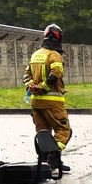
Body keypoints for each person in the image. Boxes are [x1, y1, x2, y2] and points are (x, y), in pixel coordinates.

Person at [23, 23, 70, 169]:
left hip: (35, 102)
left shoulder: (35, 54)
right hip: (52, 101)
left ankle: (43, 162)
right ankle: (53, 158)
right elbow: (56, 74)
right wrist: (42, 87)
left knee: (43, 132)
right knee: (64, 130)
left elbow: (26, 74)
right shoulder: (55, 55)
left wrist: (31, 85)